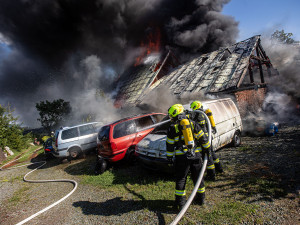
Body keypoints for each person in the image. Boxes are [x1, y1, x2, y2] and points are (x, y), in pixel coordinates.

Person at [166, 104, 211, 210]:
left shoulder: (172, 128)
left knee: (181, 179)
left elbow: (170, 144)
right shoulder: (193, 123)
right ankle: (201, 199)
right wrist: (207, 151)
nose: (171, 118)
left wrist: (169, 157)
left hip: (182, 158)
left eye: (171, 116)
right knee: (198, 177)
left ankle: (181, 203)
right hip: (195, 156)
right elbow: (203, 138)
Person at [189, 101, 223, 181]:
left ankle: (211, 175)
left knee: (207, 156)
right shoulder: (203, 113)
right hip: (208, 137)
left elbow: (195, 126)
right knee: (211, 153)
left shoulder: (198, 115)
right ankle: (219, 168)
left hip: (203, 139)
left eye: (192, 108)